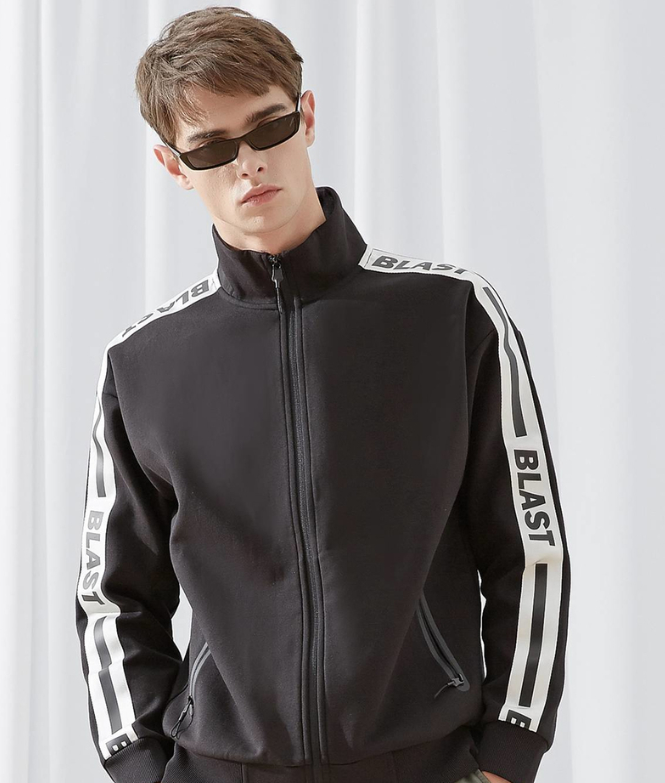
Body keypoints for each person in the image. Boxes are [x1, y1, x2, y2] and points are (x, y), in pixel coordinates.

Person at [74, 7, 571, 783]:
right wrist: (140, 767)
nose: (248, 165)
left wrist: (508, 753)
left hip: (423, 764)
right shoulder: (144, 362)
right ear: (175, 166)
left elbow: (528, 549)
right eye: (211, 147)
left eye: (267, 128)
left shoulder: (450, 315)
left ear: (305, 117)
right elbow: (114, 597)